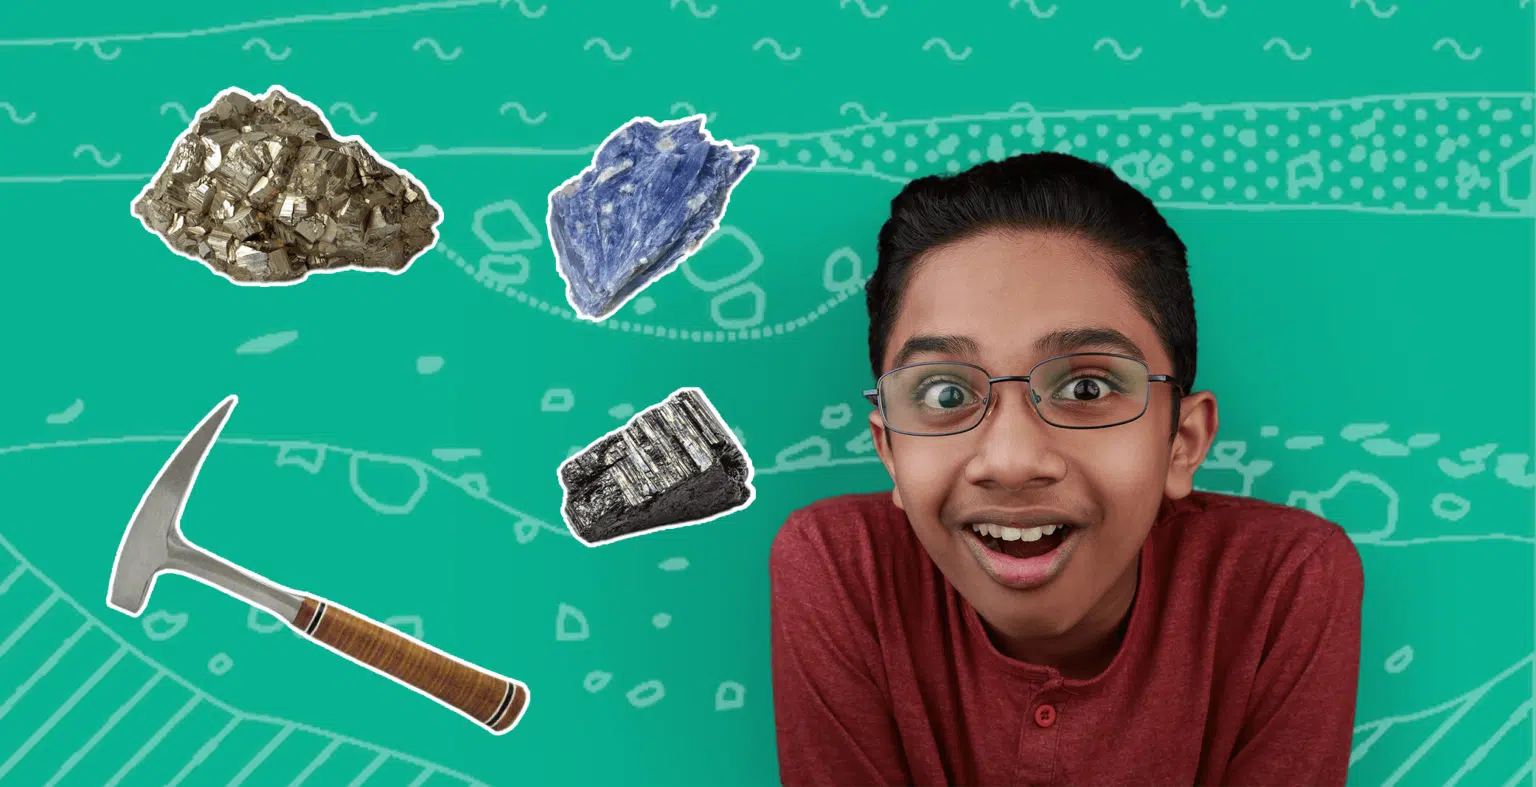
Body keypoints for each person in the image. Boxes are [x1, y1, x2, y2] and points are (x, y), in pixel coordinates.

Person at [768, 152, 1364, 787]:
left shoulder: (1285, 580)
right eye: (944, 394)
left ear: (1181, 442)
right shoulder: (839, 565)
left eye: (1085, 388)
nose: (1012, 462)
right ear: (890, 452)